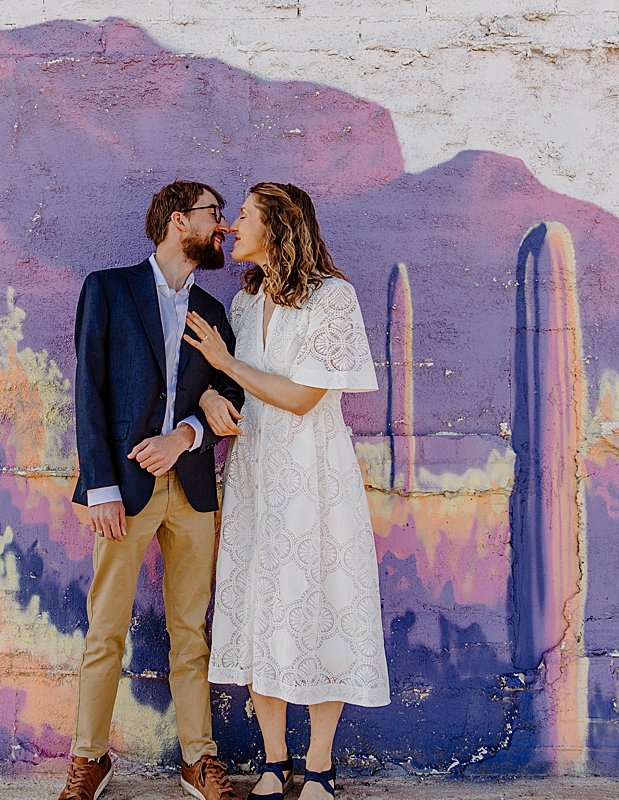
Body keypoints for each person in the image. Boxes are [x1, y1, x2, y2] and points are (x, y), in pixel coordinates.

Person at [184, 183, 390, 800]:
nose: (230, 226)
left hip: (315, 476)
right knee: (259, 610)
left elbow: (305, 397)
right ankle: (275, 763)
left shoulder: (333, 298)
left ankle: (320, 766)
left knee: (323, 606)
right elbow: (230, 388)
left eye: (243, 215)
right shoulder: (243, 307)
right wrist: (211, 394)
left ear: (278, 225)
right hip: (254, 474)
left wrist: (225, 366)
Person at [61, 181, 246, 800]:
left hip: (191, 490)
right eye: (213, 214)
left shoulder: (215, 314)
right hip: (124, 491)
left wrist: (188, 435)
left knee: (190, 631)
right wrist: (101, 488)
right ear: (177, 221)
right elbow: (89, 394)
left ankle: (199, 758)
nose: (221, 226)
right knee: (105, 629)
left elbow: (229, 397)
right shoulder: (109, 290)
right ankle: (90, 758)